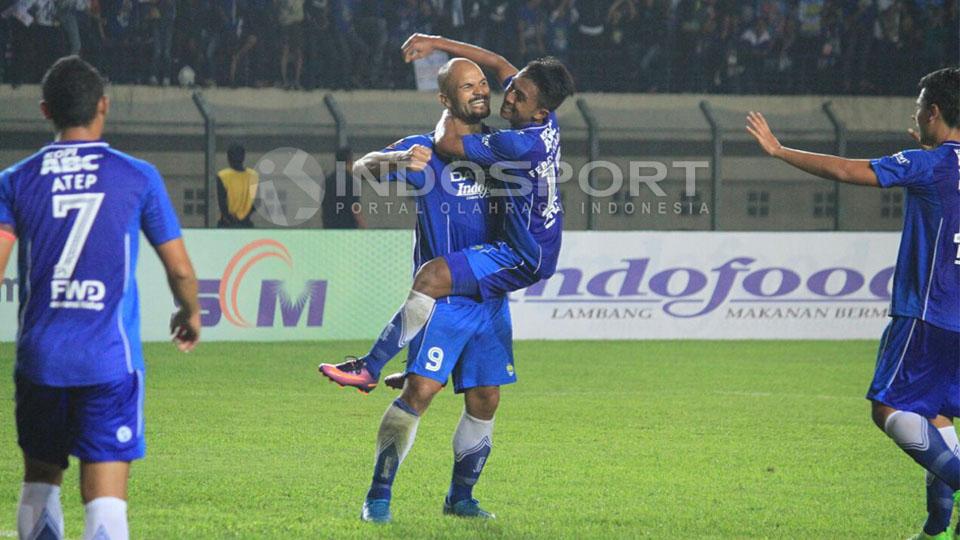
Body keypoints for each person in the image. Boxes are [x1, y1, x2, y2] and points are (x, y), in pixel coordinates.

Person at [746, 67, 960, 540]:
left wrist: (779, 150)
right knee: (936, 413)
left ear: (934, 112)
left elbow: (849, 170)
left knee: (888, 408)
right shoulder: (936, 162)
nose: (914, 114)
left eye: (918, 106)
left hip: (927, 314)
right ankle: (938, 531)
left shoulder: (928, 164)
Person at [0, 56, 201, 540]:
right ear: (103, 106)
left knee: (40, 482)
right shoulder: (137, 176)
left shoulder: (15, 180)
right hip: (109, 362)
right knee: (106, 498)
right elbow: (178, 268)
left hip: (41, 360)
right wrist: (188, 312)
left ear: (46, 110)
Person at [321, 33, 573, 393]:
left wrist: (446, 112)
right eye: (472, 85)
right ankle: (389, 366)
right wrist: (436, 42)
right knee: (474, 398)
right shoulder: (539, 120)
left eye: (517, 95)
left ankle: (372, 367)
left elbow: (447, 143)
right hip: (512, 253)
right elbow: (499, 61)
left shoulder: (513, 144)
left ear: (541, 112)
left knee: (432, 278)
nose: (505, 94)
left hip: (522, 254)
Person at [322, 57, 514, 522]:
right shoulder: (421, 150)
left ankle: (461, 497)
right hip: (442, 301)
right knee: (422, 390)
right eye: (467, 86)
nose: (479, 92)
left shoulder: (499, 150)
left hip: (490, 300)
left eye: (482, 84)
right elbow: (363, 168)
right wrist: (394, 160)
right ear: (445, 98)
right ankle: (378, 496)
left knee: (486, 398)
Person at [321, 147, 366, 229]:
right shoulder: (350, 181)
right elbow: (355, 206)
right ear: (350, 161)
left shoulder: (328, 181)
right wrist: (362, 224)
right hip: (346, 228)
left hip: (329, 227)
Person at [216, 142, 259, 228]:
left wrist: (231, 219)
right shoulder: (253, 176)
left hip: (227, 224)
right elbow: (257, 202)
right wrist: (243, 216)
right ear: (244, 157)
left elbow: (222, 204)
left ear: (228, 158)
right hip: (246, 223)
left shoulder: (222, 176)